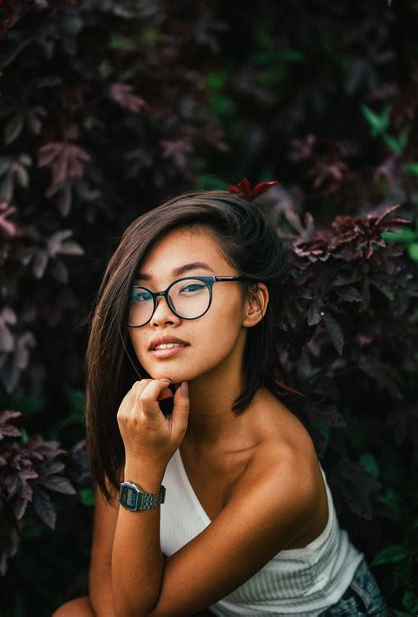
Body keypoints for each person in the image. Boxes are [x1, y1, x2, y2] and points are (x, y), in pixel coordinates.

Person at [53, 186, 389, 617]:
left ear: (253, 303)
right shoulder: (139, 416)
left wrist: (142, 466)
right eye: (141, 294)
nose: (160, 314)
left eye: (191, 286)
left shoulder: (280, 472)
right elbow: (111, 591)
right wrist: (141, 457)